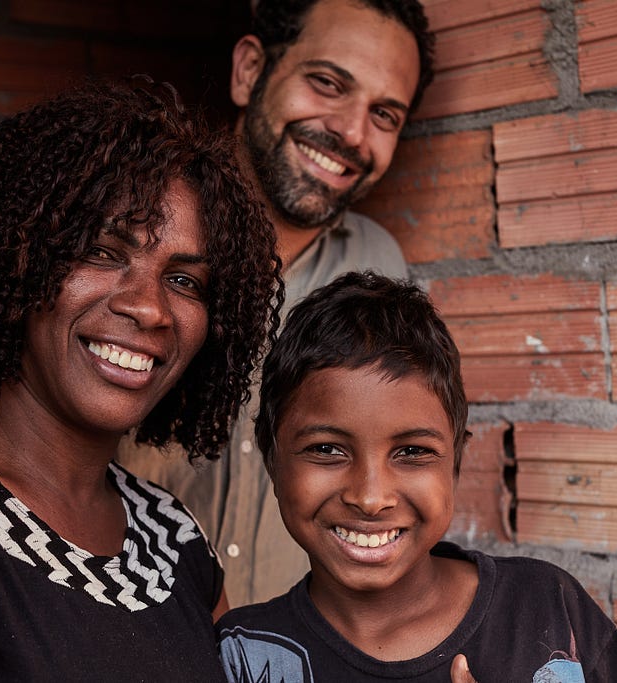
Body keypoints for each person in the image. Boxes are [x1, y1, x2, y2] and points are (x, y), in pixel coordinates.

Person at [0, 78, 282, 680]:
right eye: (105, 252)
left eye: (186, 281)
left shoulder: (172, 539)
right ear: (20, 253)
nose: (151, 308)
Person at [119, 0, 437, 606]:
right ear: (249, 71)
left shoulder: (380, 271)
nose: (350, 131)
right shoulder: (138, 232)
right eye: (327, 83)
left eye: (384, 114)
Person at [216, 271, 617, 682]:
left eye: (411, 452)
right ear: (273, 460)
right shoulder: (243, 654)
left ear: (456, 460)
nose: (371, 498)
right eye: (327, 449)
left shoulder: (545, 606)